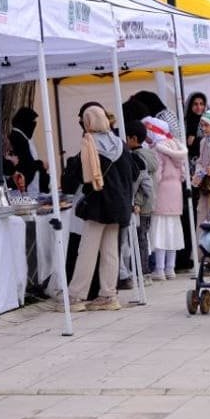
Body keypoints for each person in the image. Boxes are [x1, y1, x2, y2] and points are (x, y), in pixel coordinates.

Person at [63, 104, 133, 312]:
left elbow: (81, 176)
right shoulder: (120, 144)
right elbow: (133, 173)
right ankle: (108, 295)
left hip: (98, 204)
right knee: (110, 251)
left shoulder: (90, 143)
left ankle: (76, 296)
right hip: (119, 205)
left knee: (87, 250)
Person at [143, 117, 186, 281]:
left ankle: (159, 269)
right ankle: (171, 268)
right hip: (176, 193)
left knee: (160, 231)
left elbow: (156, 176)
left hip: (161, 193)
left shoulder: (157, 150)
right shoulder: (175, 146)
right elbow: (183, 175)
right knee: (173, 231)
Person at [118, 120, 156, 289]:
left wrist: (138, 202)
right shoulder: (150, 154)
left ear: (132, 138)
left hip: (140, 206)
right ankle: (145, 272)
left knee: (138, 240)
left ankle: (143, 272)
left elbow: (144, 184)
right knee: (143, 239)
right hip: (148, 206)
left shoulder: (137, 158)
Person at [9, 107, 46, 193]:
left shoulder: (22, 136)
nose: (34, 124)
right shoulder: (18, 138)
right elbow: (26, 163)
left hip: (28, 185)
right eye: (32, 121)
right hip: (23, 187)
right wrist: (40, 164)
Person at [184, 92, 208, 162]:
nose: (199, 107)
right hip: (189, 162)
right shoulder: (184, 122)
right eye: (195, 104)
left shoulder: (209, 121)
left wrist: (196, 141)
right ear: (190, 105)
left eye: (201, 104)